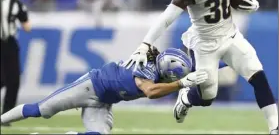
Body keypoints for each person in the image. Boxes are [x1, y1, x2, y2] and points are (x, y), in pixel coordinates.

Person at [123, 0, 278, 134]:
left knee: (258, 75)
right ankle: (187, 98)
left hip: (230, 36)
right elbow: (166, 18)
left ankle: (274, 128)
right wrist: (145, 44)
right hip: (204, 45)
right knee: (207, 97)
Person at [1, 47, 208, 134]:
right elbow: (152, 92)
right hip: (90, 86)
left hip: (103, 101)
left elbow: (200, 70)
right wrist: (181, 84)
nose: (179, 78)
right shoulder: (147, 70)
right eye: (177, 75)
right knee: (41, 110)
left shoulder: (155, 68)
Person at [0, 0, 31, 125]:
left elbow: (26, 25)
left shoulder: (15, 2)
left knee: (13, 80)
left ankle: (5, 116)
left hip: (10, 42)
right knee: (2, 79)